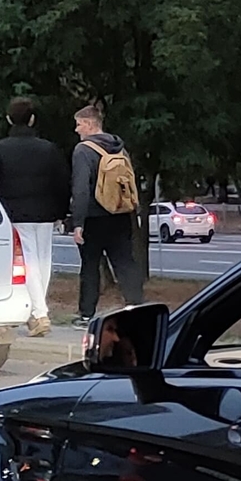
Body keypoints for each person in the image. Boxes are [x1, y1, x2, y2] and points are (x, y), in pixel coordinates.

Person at [0, 97, 70, 334]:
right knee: (43, 261)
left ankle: (39, 313)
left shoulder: (1, 148)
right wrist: (61, 212)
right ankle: (37, 312)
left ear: (8, 119)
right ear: (33, 119)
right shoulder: (48, 148)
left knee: (28, 262)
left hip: (16, 213)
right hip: (46, 213)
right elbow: (63, 182)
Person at [68, 103, 142, 321]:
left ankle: (86, 314)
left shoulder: (83, 150)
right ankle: (136, 307)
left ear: (90, 124)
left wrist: (77, 222)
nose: (77, 130)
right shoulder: (119, 147)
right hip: (120, 214)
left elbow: (80, 187)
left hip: (94, 216)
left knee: (90, 267)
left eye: (79, 124)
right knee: (125, 263)